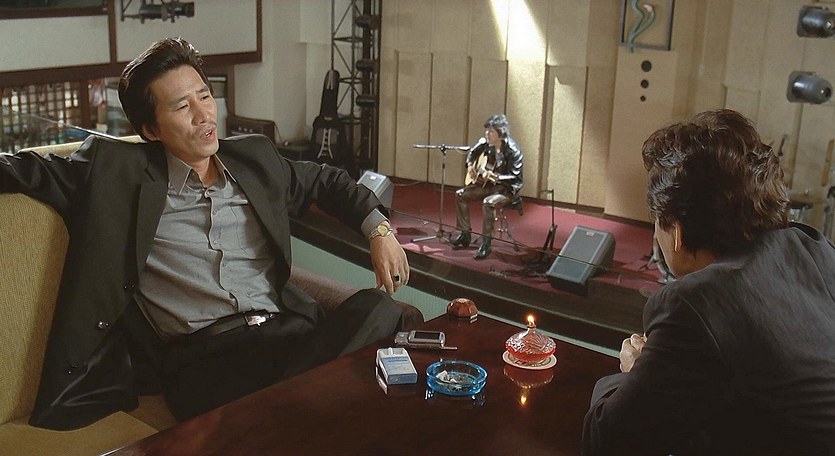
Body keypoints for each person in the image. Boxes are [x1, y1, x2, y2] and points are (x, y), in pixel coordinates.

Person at [1, 37, 410, 429]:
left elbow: (327, 180)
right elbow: (22, 169)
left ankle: (288, 413)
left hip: (287, 336)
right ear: (151, 130)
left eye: (204, 96)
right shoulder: (116, 172)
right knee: (335, 392)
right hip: (205, 361)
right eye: (183, 106)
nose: (204, 115)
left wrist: (379, 232)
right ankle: (304, 408)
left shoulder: (255, 158)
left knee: (379, 308)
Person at [582, 110, 835, 455]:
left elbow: (607, 440)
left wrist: (632, 373)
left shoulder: (693, 305)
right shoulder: (813, 248)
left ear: (677, 233)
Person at [449, 114, 523, 259]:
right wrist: (470, 165)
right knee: (460, 194)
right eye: (487, 130)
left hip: (506, 190)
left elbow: (516, 177)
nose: (487, 134)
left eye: (491, 131)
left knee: (488, 202)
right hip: (488, 185)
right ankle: (465, 233)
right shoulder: (486, 143)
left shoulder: (513, 151)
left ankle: (486, 244)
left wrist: (497, 177)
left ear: (500, 133)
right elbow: (472, 153)